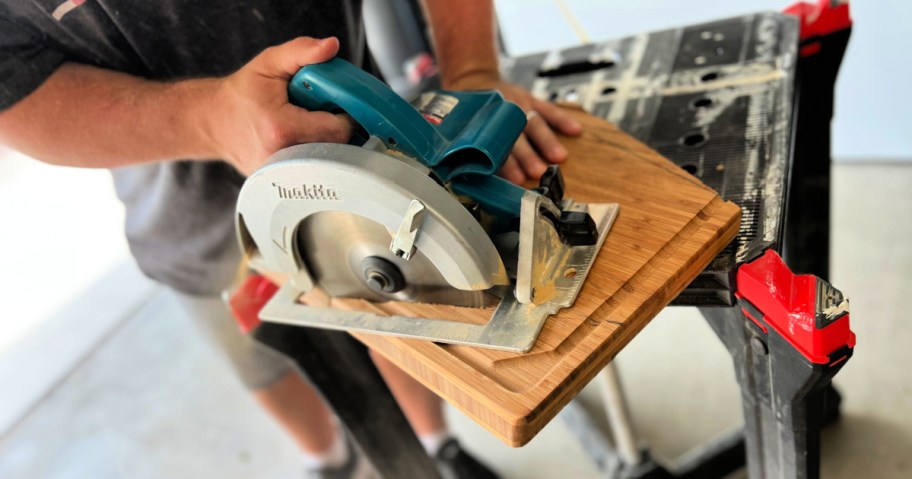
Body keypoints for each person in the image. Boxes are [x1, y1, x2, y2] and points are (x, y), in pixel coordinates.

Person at [0, 1, 582, 477]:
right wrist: (206, 118)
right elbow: (11, 90)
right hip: (188, 212)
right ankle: (326, 458)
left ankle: (436, 447)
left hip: (359, 134)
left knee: (401, 327)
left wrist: (474, 73)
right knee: (263, 358)